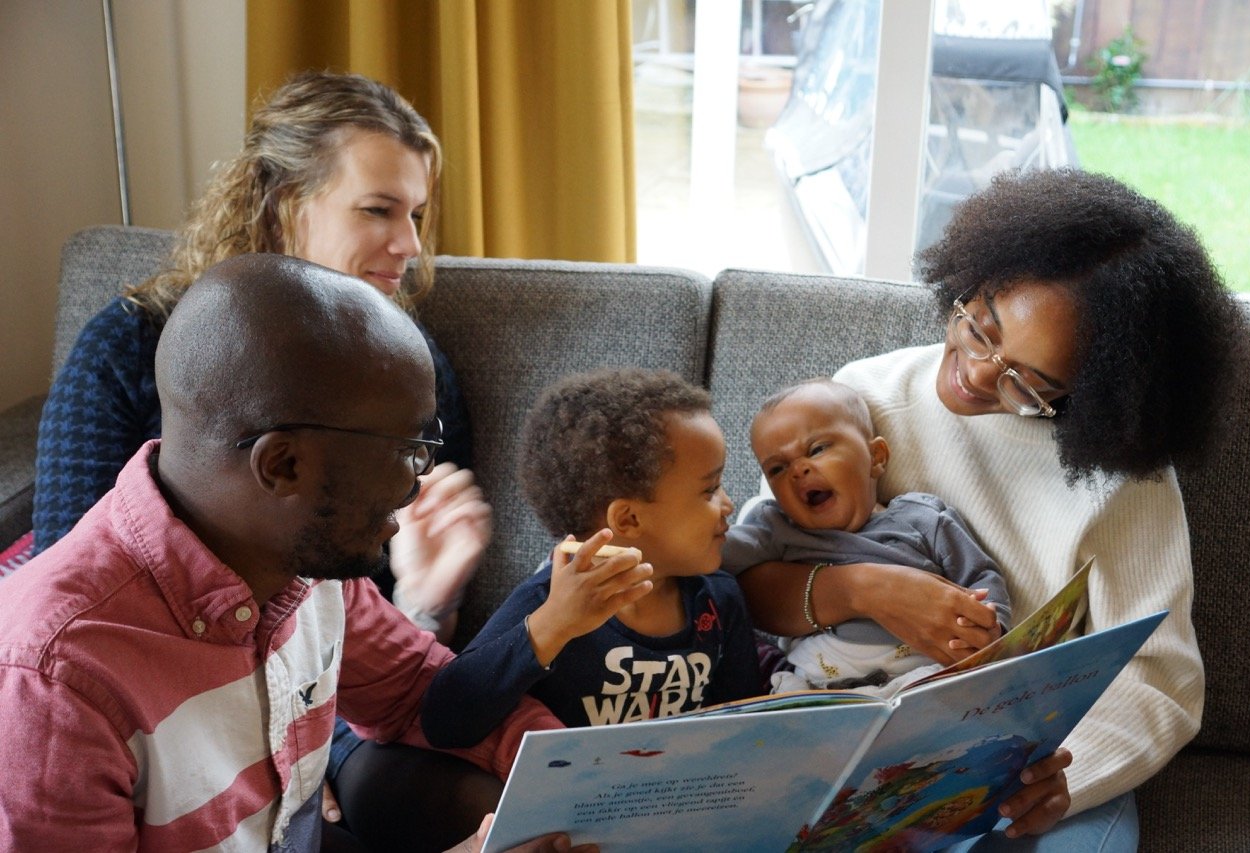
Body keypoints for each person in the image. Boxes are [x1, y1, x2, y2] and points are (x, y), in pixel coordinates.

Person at [0, 255, 596, 853]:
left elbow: (423, 696)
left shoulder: (304, 567)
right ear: (283, 465)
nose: (419, 480)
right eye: (407, 449)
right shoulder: (54, 683)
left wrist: (584, 782)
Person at [23, 69, 486, 831]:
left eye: (416, 214)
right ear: (282, 203)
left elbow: (384, 635)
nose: (409, 243)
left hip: (317, 685)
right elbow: (76, 559)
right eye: (378, 209)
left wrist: (428, 600)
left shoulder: (406, 372)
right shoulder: (131, 345)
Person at [735, 168, 1244, 849]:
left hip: (1030, 771)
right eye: (980, 326)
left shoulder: (1123, 476)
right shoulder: (861, 398)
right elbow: (736, 584)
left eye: (1028, 382)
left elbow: (1160, 676)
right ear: (970, 278)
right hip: (852, 739)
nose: (976, 372)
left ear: (1090, 390)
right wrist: (865, 587)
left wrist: (1068, 775)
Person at [420, 368, 762, 744]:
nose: (729, 504)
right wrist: (554, 625)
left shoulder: (719, 600)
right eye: (710, 490)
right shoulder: (548, 605)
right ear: (628, 518)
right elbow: (443, 722)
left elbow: (744, 728)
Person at [720, 379, 1010, 696]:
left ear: (876, 457)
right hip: (815, 689)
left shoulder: (922, 519)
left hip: (919, 679)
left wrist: (992, 633)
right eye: (776, 469)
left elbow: (980, 576)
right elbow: (716, 555)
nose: (797, 470)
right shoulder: (774, 526)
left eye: (816, 449)